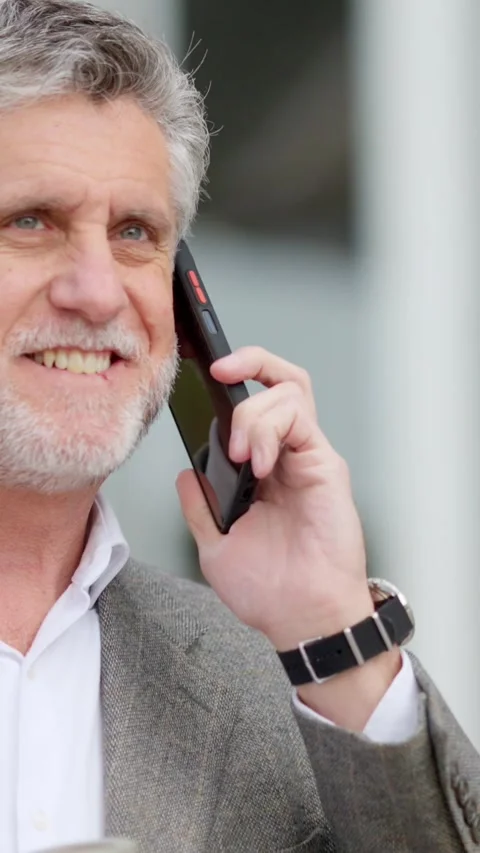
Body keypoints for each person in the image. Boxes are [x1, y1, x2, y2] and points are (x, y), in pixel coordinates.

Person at [0, 1, 476, 851]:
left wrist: (333, 627)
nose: (97, 290)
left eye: (135, 233)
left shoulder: (265, 675)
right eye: (31, 220)